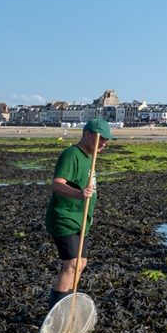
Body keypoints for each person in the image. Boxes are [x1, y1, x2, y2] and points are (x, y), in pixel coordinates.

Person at [45, 118, 114, 310]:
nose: (104, 143)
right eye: (101, 139)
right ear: (87, 135)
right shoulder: (71, 154)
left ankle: (68, 309)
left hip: (80, 220)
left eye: (106, 140)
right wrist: (79, 194)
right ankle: (56, 313)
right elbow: (57, 184)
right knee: (72, 265)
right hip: (64, 218)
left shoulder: (90, 158)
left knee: (81, 264)